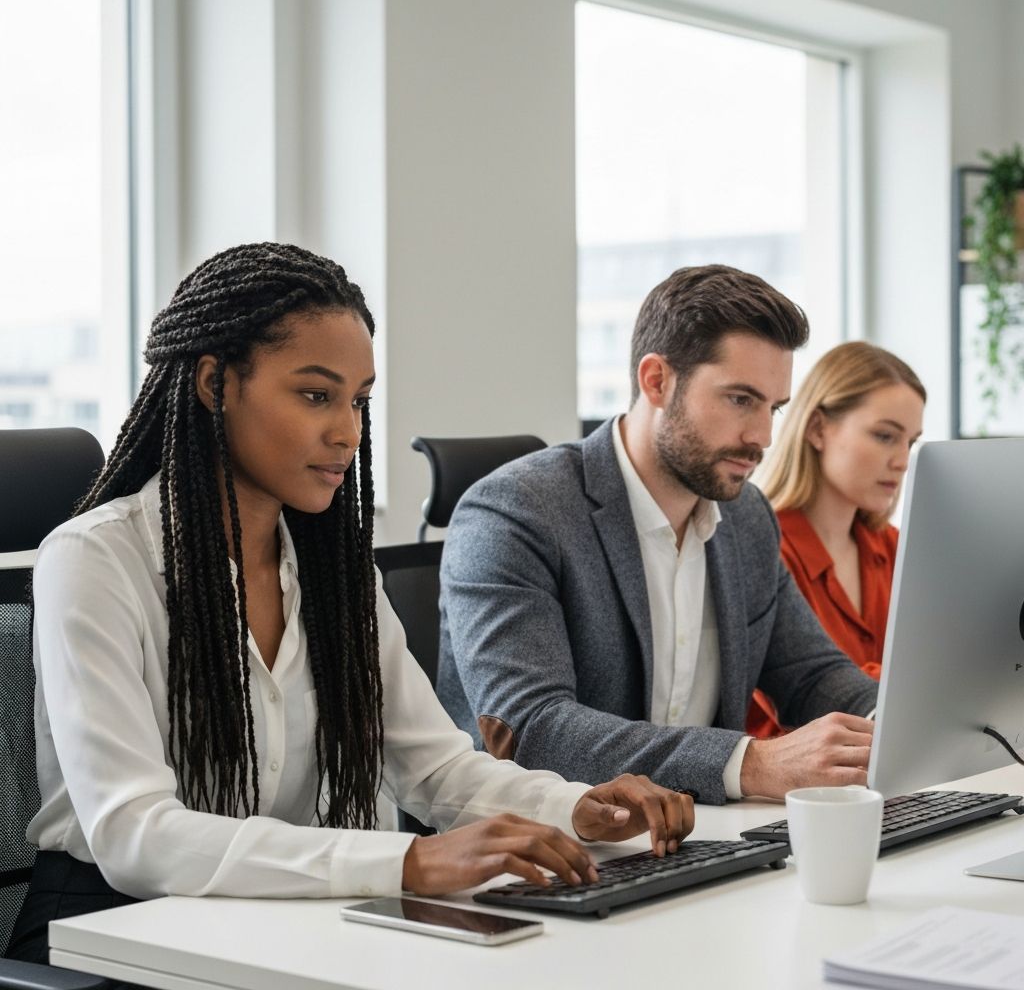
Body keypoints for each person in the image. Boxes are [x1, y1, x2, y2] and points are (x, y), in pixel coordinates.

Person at [8, 243, 693, 968]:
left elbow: (435, 771)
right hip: (112, 936)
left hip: (282, 926)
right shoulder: (97, 560)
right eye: (315, 395)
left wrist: (577, 809)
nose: (348, 431)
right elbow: (136, 834)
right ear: (214, 384)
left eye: (359, 400)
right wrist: (407, 864)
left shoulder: (334, 574)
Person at [437, 264, 880, 807]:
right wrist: (751, 762)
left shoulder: (744, 518)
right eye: (740, 399)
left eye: (774, 408)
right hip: (538, 849)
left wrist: (898, 725)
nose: (762, 436)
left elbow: (810, 674)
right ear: (656, 381)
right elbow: (531, 728)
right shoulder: (516, 512)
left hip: (699, 839)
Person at [746, 341, 925, 738]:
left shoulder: (897, 549)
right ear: (817, 429)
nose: (902, 460)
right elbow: (768, 717)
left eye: (910, 442)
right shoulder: (759, 550)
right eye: (884, 436)